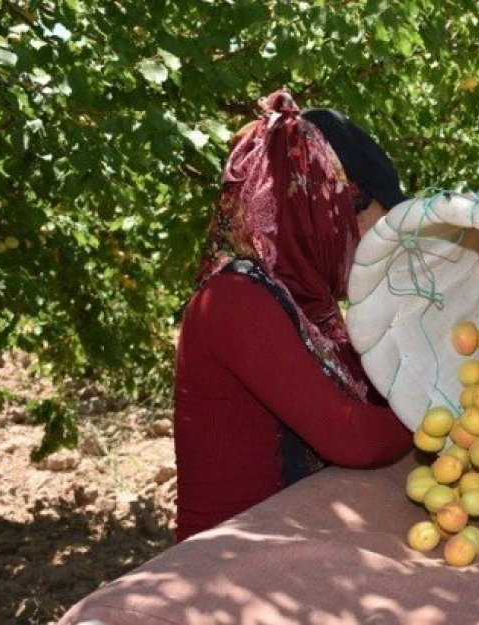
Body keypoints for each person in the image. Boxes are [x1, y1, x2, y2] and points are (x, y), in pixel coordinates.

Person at [173, 92, 413, 542]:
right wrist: (445, 410)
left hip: (288, 546)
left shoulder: (308, 307)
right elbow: (355, 437)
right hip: (224, 571)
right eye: (373, 227)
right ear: (326, 210)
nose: (379, 248)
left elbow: (379, 397)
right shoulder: (235, 300)